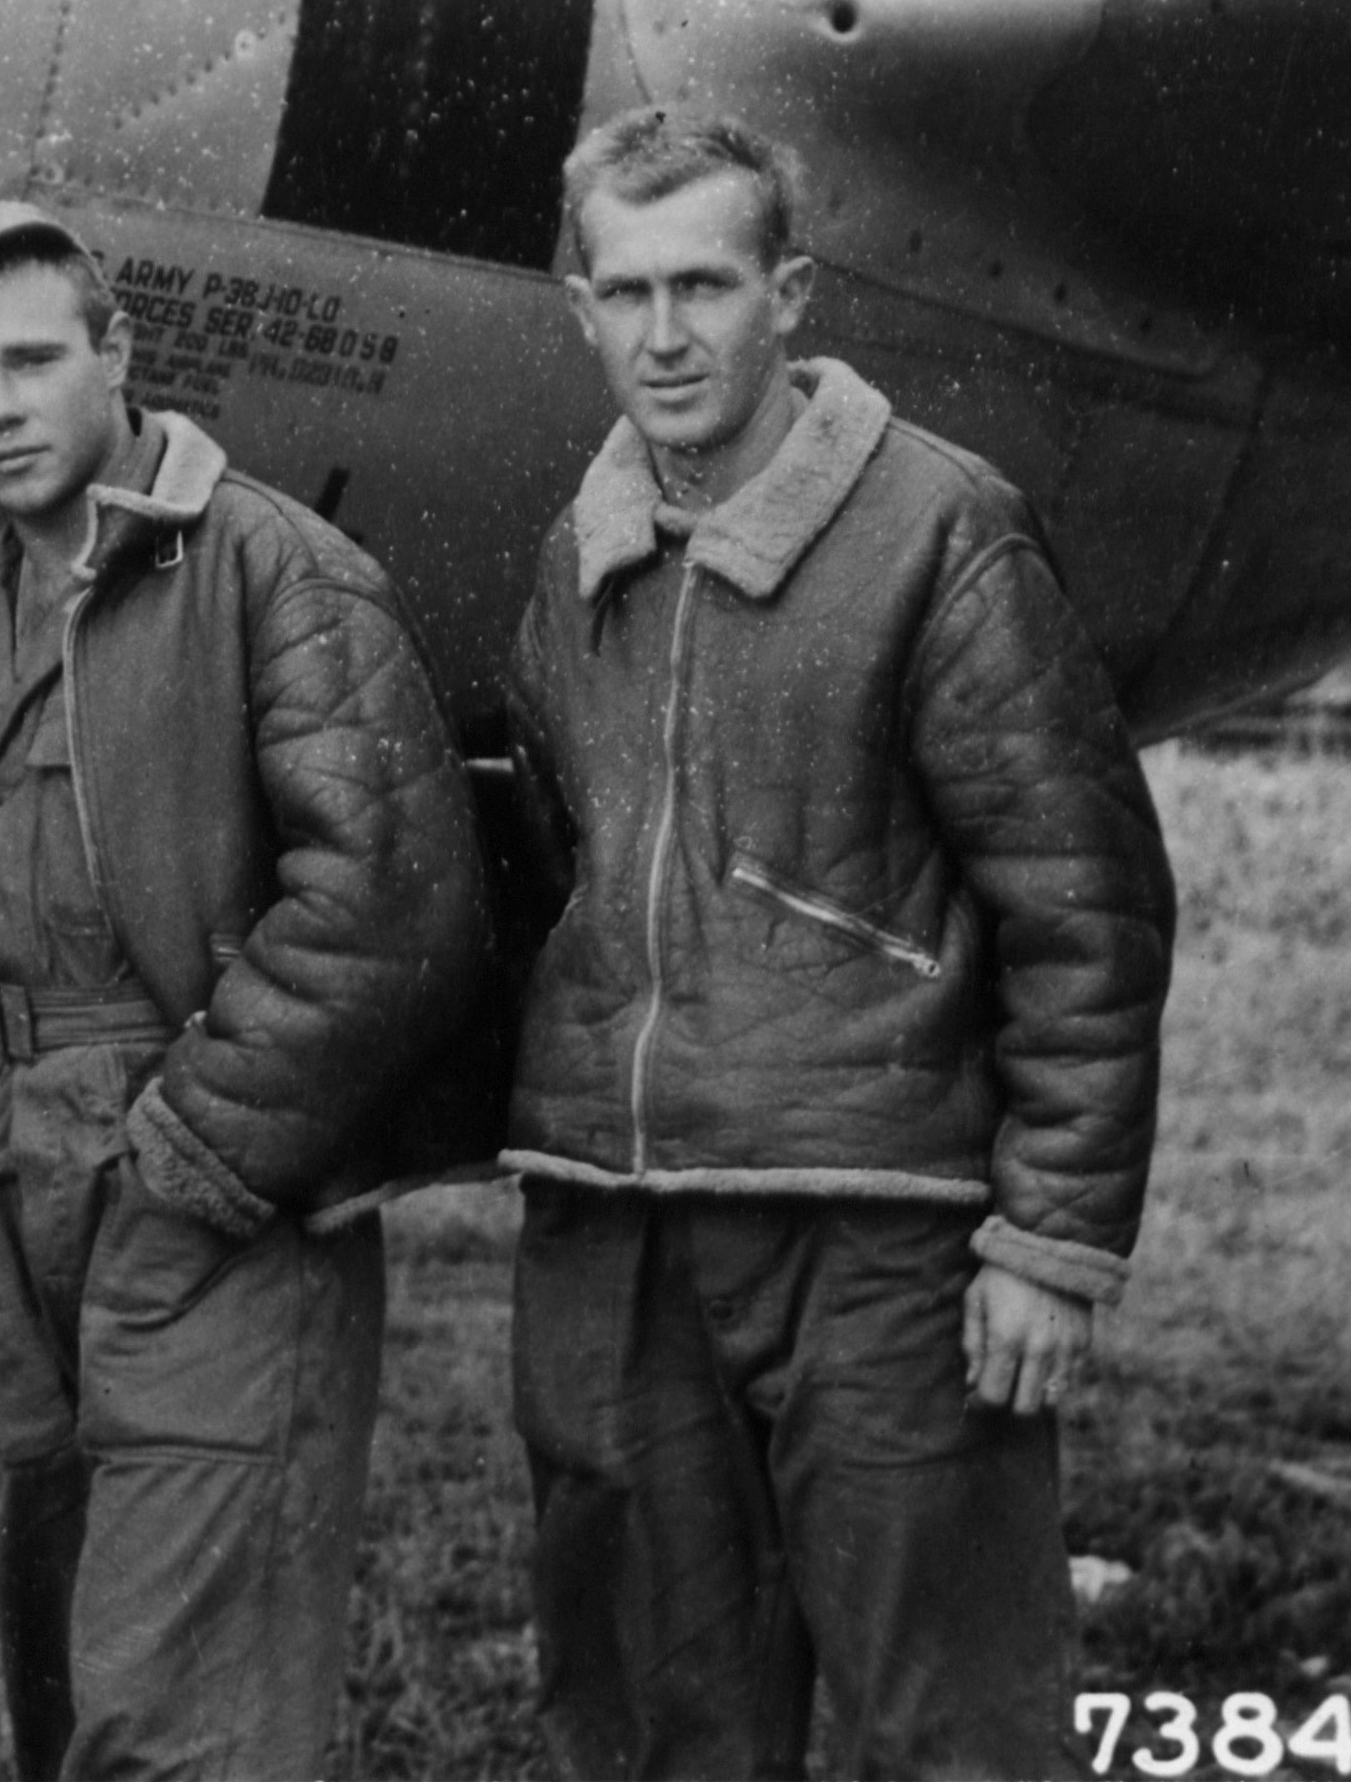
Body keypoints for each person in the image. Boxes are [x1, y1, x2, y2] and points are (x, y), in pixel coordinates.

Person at [503, 105, 1175, 1779]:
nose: (665, 335)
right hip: (623, 1224)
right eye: (626, 289)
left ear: (790, 291)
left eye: (708, 285)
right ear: (578, 302)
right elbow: (557, 867)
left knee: (940, 1722)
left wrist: (1053, 1237)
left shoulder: (938, 529)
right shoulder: (571, 558)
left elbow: (1083, 897)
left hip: (877, 1227)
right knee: (663, 1720)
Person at [0, 199, 503, 1782]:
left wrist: (194, 1149)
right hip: (23, 1191)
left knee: (183, 1722)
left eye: (33, 359)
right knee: (74, 1696)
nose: (0, 406)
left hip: (206, 1189)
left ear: (120, 352)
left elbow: (394, 901)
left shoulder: (273, 568)